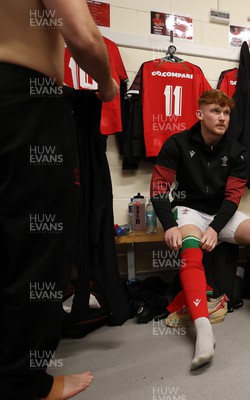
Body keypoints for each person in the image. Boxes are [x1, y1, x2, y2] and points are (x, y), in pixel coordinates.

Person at [0, 0, 119, 399]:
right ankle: (25, 382)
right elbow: (82, 35)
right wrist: (107, 83)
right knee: (37, 245)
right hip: (21, 99)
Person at [150, 89, 250, 370]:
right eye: (215, 111)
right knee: (191, 244)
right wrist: (169, 225)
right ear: (200, 114)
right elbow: (159, 188)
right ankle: (203, 329)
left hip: (220, 212)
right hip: (188, 210)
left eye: (226, 113)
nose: (222, 118)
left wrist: (216, 228)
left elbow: (233, 197)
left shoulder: (236, 150)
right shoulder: (177, 143)